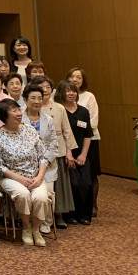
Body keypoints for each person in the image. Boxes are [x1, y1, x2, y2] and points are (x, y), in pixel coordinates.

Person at [0, 98, 51, 246]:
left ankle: (36, 229)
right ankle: (26, 227)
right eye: (14, 111)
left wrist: (40, 176)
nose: (19, 113)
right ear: (4, 116)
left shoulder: (30, 130)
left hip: (35, 176)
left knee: (41, 198)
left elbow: (43, 156)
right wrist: (19, 179)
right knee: (23, 194)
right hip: (11, 178)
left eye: (19, 110)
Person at [31, 75, 77, 229]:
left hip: (58, 151)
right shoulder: (31, 108)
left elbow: (67, 131)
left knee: (59, 187)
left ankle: (59, 215)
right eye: (41, 87)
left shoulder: (59, 108)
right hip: (36, 154)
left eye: (48, 87)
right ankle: (40, 217)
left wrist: (69, 152)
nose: (45, 90)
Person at [22, 84, 58, 235]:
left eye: (39, 98)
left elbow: (54, 145)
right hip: (24, 166)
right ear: (25, 100)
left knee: (48, 194)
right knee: (27, 195)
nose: (36, 101)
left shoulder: (48, 119)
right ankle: (28, 223)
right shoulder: (18, 118)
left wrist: (44, 163)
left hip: (47, 166)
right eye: (33, 98)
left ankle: (45, 222)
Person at [56, 79, 93, 225]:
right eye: (67, 91)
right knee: (73, 184)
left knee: (86, 184)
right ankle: (71, 215)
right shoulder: (59, 110)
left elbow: (88, 135)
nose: (71, 93)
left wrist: (83, 155)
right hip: (66, 153)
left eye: (73, 91)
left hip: (82, 153)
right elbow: (62, 134)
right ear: (61, 93)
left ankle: (85, 215)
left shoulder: (83, 111)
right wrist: (68, 153)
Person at [67, 67, 100, 217]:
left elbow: (93, 122)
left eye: (79, 77)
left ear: (83, 80)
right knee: (73, 175)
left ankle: (92, 205)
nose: (75, 79)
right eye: (72, 76)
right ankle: (75, 207)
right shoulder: (63, 97)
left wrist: (78, 127)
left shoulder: (89, 96)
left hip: (89, 140)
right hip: (70, 141)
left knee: (91, 174)